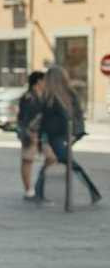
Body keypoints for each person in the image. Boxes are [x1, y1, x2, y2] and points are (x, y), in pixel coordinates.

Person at [34, 65, 101, 205]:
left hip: (63, 137)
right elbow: (44, 122)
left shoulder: (68, 95)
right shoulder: (49, 97)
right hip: (55, 138)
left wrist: (75, 135)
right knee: (62, 163)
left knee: (63, 163)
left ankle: (39, 192)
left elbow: (77, 116)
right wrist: (44, 142)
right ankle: (39, 192)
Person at [17, 70, 55, 200]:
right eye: (44, 80)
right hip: (30, 133)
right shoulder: (28, 97)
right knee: (27, 160)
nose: (46, 83)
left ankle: (39, 182)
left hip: (43, 134)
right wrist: (27, 134)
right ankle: (28, 191)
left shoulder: (44, 96)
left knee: (52, 157)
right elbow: (24, 118)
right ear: (38, 81)